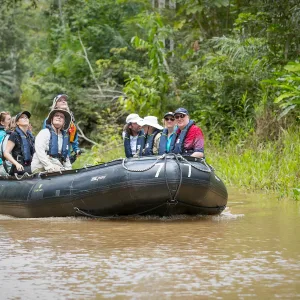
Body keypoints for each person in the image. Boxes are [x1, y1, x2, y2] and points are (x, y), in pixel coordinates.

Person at [31, 108, 72, 173]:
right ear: (51, 119)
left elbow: (66, 157)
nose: (59, 117)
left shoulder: (64, 137)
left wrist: (69, 170)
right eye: (56, 115)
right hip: (41, 166)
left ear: (64, 122)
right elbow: (39, 151)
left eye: (61, 117)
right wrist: (49, 166)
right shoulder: (44, 132)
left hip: (57, 166)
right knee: (58, 170)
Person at [43, 94, 81, 162]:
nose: (64, 102)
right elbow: (44, 138)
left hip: (66, 157)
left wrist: (76, 150)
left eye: (65, 100)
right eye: (60, 100)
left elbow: (74, 138)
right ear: (56, 105)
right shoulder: (49, 120)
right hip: (51, 157)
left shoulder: (71, 123)